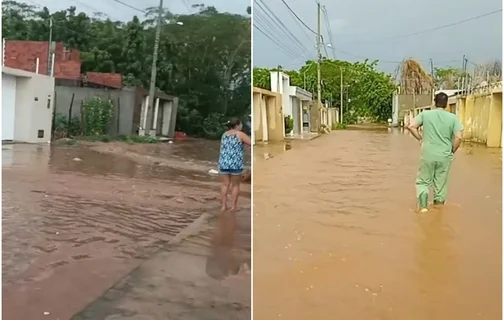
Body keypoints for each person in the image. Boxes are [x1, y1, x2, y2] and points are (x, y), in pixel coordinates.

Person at [406, 92, 463, 213]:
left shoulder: (426, 114)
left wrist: (420, 138)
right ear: (447, 104)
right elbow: (459, 137)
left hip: (428, 153)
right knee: (441, 185)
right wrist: (452, 150)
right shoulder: (453, 118)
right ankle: (438, 210)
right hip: (445, 155)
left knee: (423, 181)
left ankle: (423, 207)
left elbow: (411, 126)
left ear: (434, 102)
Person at [218, 118, 251, 211]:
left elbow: (222, 148)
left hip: (224, 162)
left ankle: (224, 206)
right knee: (235, 185)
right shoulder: (240, 134)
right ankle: (233, 207)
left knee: (225, 185)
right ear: (236, 125)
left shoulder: (224, 134)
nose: (242, 126)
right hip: (235, 163)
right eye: (241, 125)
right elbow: (252, 143)